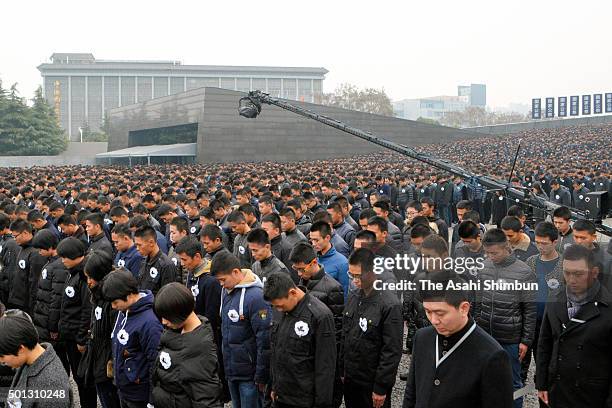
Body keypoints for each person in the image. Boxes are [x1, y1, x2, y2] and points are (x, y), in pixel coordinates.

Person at [402, 273, 513, 408]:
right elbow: (411, 394)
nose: (433, 320)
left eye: (440, 313)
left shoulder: (492, 355)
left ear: (463, 308)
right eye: (428, 311)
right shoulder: (422, 338)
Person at [536, 244, 612, 407]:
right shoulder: (556, 299)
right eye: (567, 273)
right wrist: (541, 383)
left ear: (594, 273)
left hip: (590, 396)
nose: (571, 280)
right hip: (556, 390)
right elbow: (545, 343)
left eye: (578, 274)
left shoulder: (608, 309)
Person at [477, 228, 537, 408]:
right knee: (484, 380)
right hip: (485, 334)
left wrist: (526, 340)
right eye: (487, 253)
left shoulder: (525, 272)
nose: (490, 256)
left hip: (511, 338)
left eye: (494, 253)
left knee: (513, 383)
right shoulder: (484, 267)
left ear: (506, 247)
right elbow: (478, 300)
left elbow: (530, 309)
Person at [264, 272, 337, 408]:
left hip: (303, 400)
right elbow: (276, 353)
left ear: (292, 293)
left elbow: (325, 367)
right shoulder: (280, 309)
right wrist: (273, 387)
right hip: (280, 396)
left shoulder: (320, 316)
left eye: (280, 306)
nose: (277, 310)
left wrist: (322, 403)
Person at [341, 248, 402, 408]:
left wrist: (381, 387)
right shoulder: (354, 297)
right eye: (351, 275)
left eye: (358, 275)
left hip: (372, 382)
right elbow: (345, 335)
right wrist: (342, 370)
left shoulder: (389, 304)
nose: (354, 280)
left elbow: (391, 351)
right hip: (352, 379)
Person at [210, 251, 271, 408]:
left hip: (250, 375)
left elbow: (264, 339)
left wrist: (261, 375)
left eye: (223, 280)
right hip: (232, 370)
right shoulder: (227, 291)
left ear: (236, 272)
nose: (221, 284)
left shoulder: (257, 298)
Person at [289, 241, 345, 407]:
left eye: (301, 269)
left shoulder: (333, 288)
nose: (299, 273)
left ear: (314, 262)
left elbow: (337, 330)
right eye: (296, 269)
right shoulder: (301, 283)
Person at [151, 282, 223, 408]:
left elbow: (206, 397)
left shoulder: (200, 347)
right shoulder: (174, 329)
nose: (163, 321)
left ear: (179, 312)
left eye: (167, 317)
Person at [103, 269, 163, 408]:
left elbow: (155, 365)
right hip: (124, 390)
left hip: (139, 395)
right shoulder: (124, 311)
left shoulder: (149, 323)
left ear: (129, 295)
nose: (113, 306)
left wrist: (152, 401)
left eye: (115, 302)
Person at [56, 237, 98, 408]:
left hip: (78, 338)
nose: (62, 260)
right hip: (70, 333)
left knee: (84, 378)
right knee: (78, 376)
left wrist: (82, 339)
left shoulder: (83, 275)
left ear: (75, 255)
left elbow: (87, 311)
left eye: (64, 256)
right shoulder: (73, 271)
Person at [0, 310, 71, 408]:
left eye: (2, 356)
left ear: (21, 348)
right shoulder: (28, 361)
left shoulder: (51, 386)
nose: (1, 361)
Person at [521, 221, 562, 386]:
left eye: (544, 243)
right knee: (521, 365)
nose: (540, 246)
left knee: (545, 365)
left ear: (555, 241)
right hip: (529, 323)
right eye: (537, 242)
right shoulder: (530, 262)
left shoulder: (564, 265)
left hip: (550, 325)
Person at [80, 251, 121, 408]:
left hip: (107, 364)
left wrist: (111, 363)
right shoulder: (97, 294)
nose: (88, 282)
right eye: (87, 277)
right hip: (97, 357)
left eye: (91, 277)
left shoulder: (112, 299)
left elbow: (114, 336)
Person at [7, 219, 47, 314]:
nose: (14, 239)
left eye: (15, 236)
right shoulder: (22, 247)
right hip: (16, 300)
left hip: (26, 304)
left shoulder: (36, 252)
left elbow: (35, 282)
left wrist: (32, 306)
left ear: (25, 233)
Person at [133, 226, 179, 295]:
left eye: (139, 245)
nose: (137, 248)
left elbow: (168, 297)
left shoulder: (166, 265)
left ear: (151, 243)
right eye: (136, 245)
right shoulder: (144, 261)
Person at [309, 221, 350, 298]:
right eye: (311, 240)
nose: (313, 244)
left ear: (327, 238)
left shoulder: (342, 263)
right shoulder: (312, 256)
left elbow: (345, 294)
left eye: (316, 240)